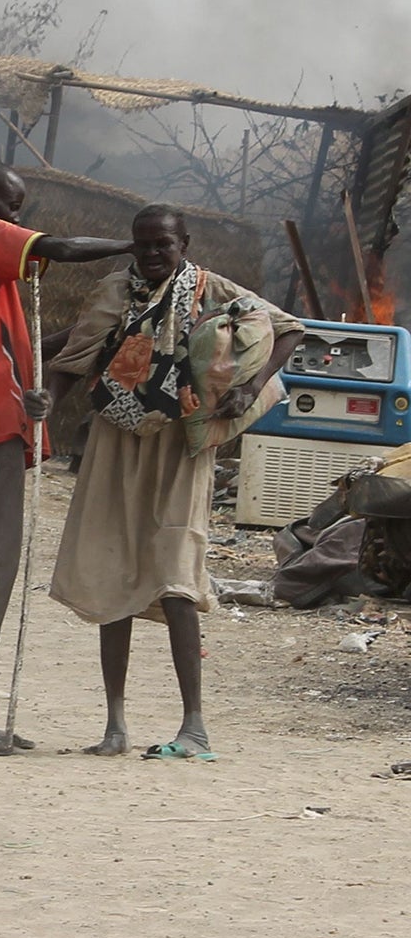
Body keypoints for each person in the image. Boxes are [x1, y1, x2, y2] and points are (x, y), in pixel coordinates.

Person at [45, 205, 301, 761]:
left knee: (178, 574)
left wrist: (250, 387)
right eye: (143, 245)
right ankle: (115, 725)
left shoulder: (215, 291)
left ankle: (195, 727)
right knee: (111, 565)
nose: (153, 254)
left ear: (184, 244)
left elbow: (286, 331)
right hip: (116, 437)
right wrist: (45, 405)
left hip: (183, 443)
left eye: (163, 244)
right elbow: (76, 356)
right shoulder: (115, 291)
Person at [0, 158, 133, 755]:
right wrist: (130, 243)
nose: (18, 220)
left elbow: (22, 349)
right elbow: (61, 247)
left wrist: (90, 337)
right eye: (13, 207)